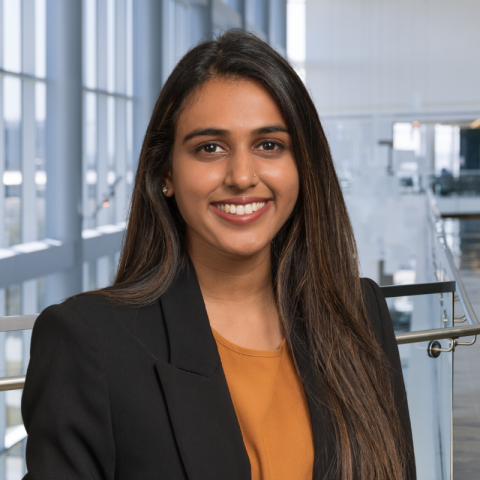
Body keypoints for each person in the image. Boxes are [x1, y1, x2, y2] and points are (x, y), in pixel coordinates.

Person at [21, 30, 415, 480]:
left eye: (270, 145)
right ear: (166, 172)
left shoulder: (359, 312)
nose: (242, 176)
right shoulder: (90, 341)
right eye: (210, 148)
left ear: (302, 165)